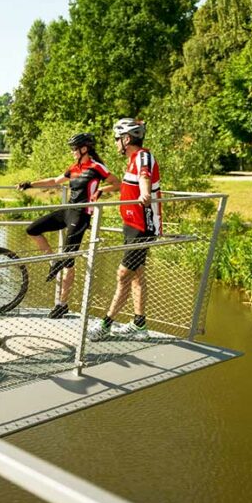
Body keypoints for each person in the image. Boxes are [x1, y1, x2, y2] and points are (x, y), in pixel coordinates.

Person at [17, 132, 120, 318]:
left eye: (74, 149)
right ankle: (53, 260)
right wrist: (30, 184)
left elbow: (116, 183)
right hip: (68, 211)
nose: (72, 152)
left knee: (68, 260)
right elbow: (55, 181)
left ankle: (62, 304)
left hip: (81, 215)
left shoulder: (97, 167)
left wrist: (100, 191)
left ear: (84, 149)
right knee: (32, 229)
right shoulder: (74, 167)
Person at [89, 118, 161, 341]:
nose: (115, 143)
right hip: (131, 225)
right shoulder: (132, 160)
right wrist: (104, 190)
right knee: (137, 275)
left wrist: (145, 193)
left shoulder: (142, 156)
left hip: (142, 226)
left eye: (117, 139)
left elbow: (145, 177)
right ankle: (140, 325)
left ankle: (106, 324)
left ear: (127, 139)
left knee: (123, 274)